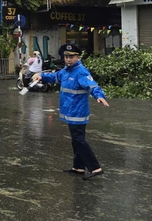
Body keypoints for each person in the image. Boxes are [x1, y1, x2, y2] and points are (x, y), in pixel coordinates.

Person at [33, 44, 109, 180]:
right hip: (70, 111)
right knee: (75, 141)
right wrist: (42, 76)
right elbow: (55, 76)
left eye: (71, 57)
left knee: (79, 140)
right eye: (66, 57)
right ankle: (78, 167)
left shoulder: (81, 72)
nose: (68, 59)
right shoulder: (66, 71)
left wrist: (99, 96)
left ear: (78, 57)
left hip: (78, 112)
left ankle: (95, 168)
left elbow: (92, 85)